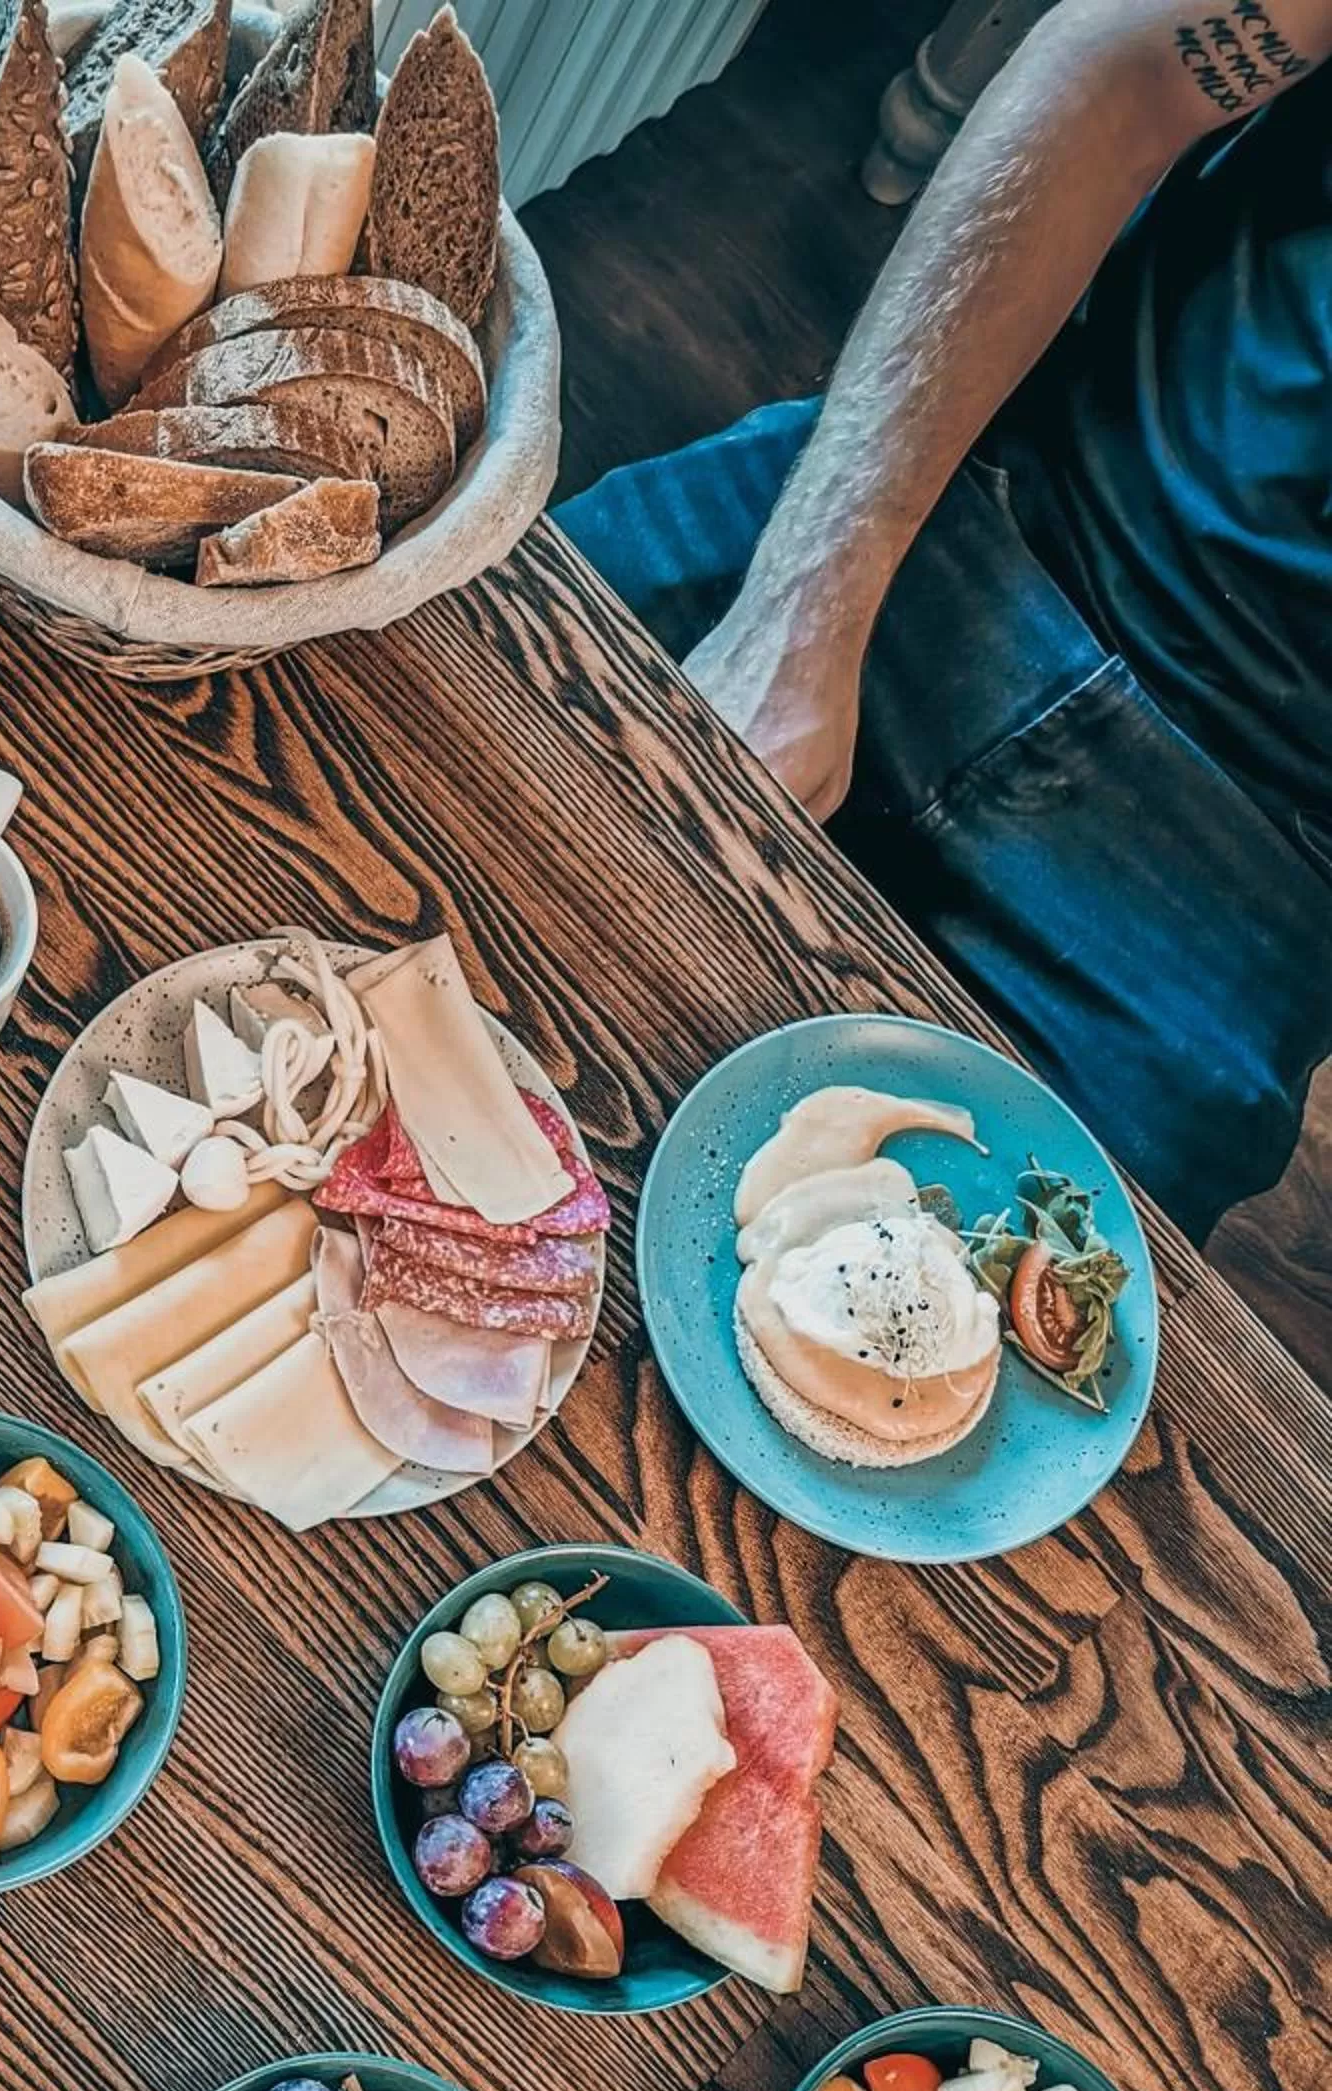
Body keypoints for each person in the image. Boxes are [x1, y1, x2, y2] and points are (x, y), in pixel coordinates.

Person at [556, 0, 1332, 1242]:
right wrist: (801, 614)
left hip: (1261, 873)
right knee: (370, 739)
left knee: (915, 1373)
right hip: (986, 490)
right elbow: (1125, 69)